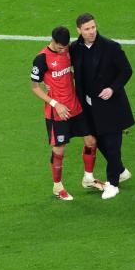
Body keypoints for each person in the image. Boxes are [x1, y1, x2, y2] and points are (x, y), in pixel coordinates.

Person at [30, 25, 105, 201]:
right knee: (59, 151)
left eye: (65, 47)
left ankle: (88, 178)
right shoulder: (41, 59)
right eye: (60, 47)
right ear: (53, 41)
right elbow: (34, 87)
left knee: (91, 140)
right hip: (57, 112)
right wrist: (56, 104)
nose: (63, 50)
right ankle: (58, 187)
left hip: (75, 107)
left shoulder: (68, 51)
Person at [70, 13, 134, 200]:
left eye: (93, 27)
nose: (91, 32)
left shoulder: (110, 47)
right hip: (89, 105)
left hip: (111, 105)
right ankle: (120, 170)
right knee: (99, 142)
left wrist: (112, 88)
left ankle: (113, 183)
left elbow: (126, 70)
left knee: (113, 145)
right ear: (79, 30)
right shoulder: (75, 48)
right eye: (87, 29)